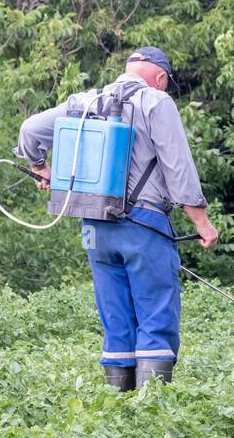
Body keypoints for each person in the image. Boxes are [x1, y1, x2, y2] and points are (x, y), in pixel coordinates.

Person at [14, 47, 219, 390]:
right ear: (160, 78)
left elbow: (30, 129)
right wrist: (201, 222)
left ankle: (116, 406)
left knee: (115, 317)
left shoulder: (86, 101)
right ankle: (150, 407)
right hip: (143, 225)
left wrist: (39, 167)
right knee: (155, 313)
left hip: (95, 229)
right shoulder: (157, 101)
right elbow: (178, 165)